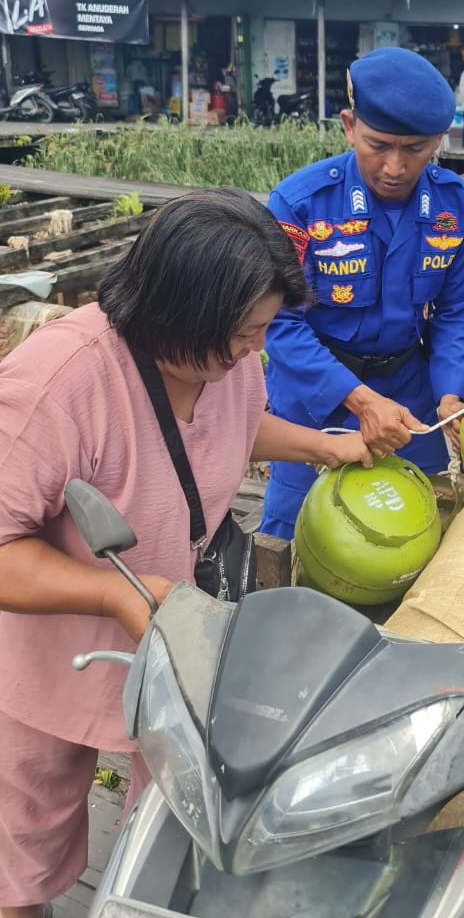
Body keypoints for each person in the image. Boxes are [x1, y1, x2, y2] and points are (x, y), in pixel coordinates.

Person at [0, 189, 371, 918]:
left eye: (265, 329)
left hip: (173, 637)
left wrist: (327, 447)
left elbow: (231, 426)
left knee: (175, 826)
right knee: (24, 843)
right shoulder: (57, 381)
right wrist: (117, 594)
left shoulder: (226, 362)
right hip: (48, 653)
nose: (255, 350)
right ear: (180, 312)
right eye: (244, 333)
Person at [262, 46, 464, 540]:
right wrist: (360, 402)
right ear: (348, 125)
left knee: (420, 522)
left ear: (439, 140)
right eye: (377, 144)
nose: (394, 166)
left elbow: (458, 311)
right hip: (313, 397)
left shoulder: (458, 206)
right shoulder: (300, 205)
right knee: (295, 529)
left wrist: (451, 392)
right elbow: (278, 322)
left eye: (415, 149)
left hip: (410, 396)